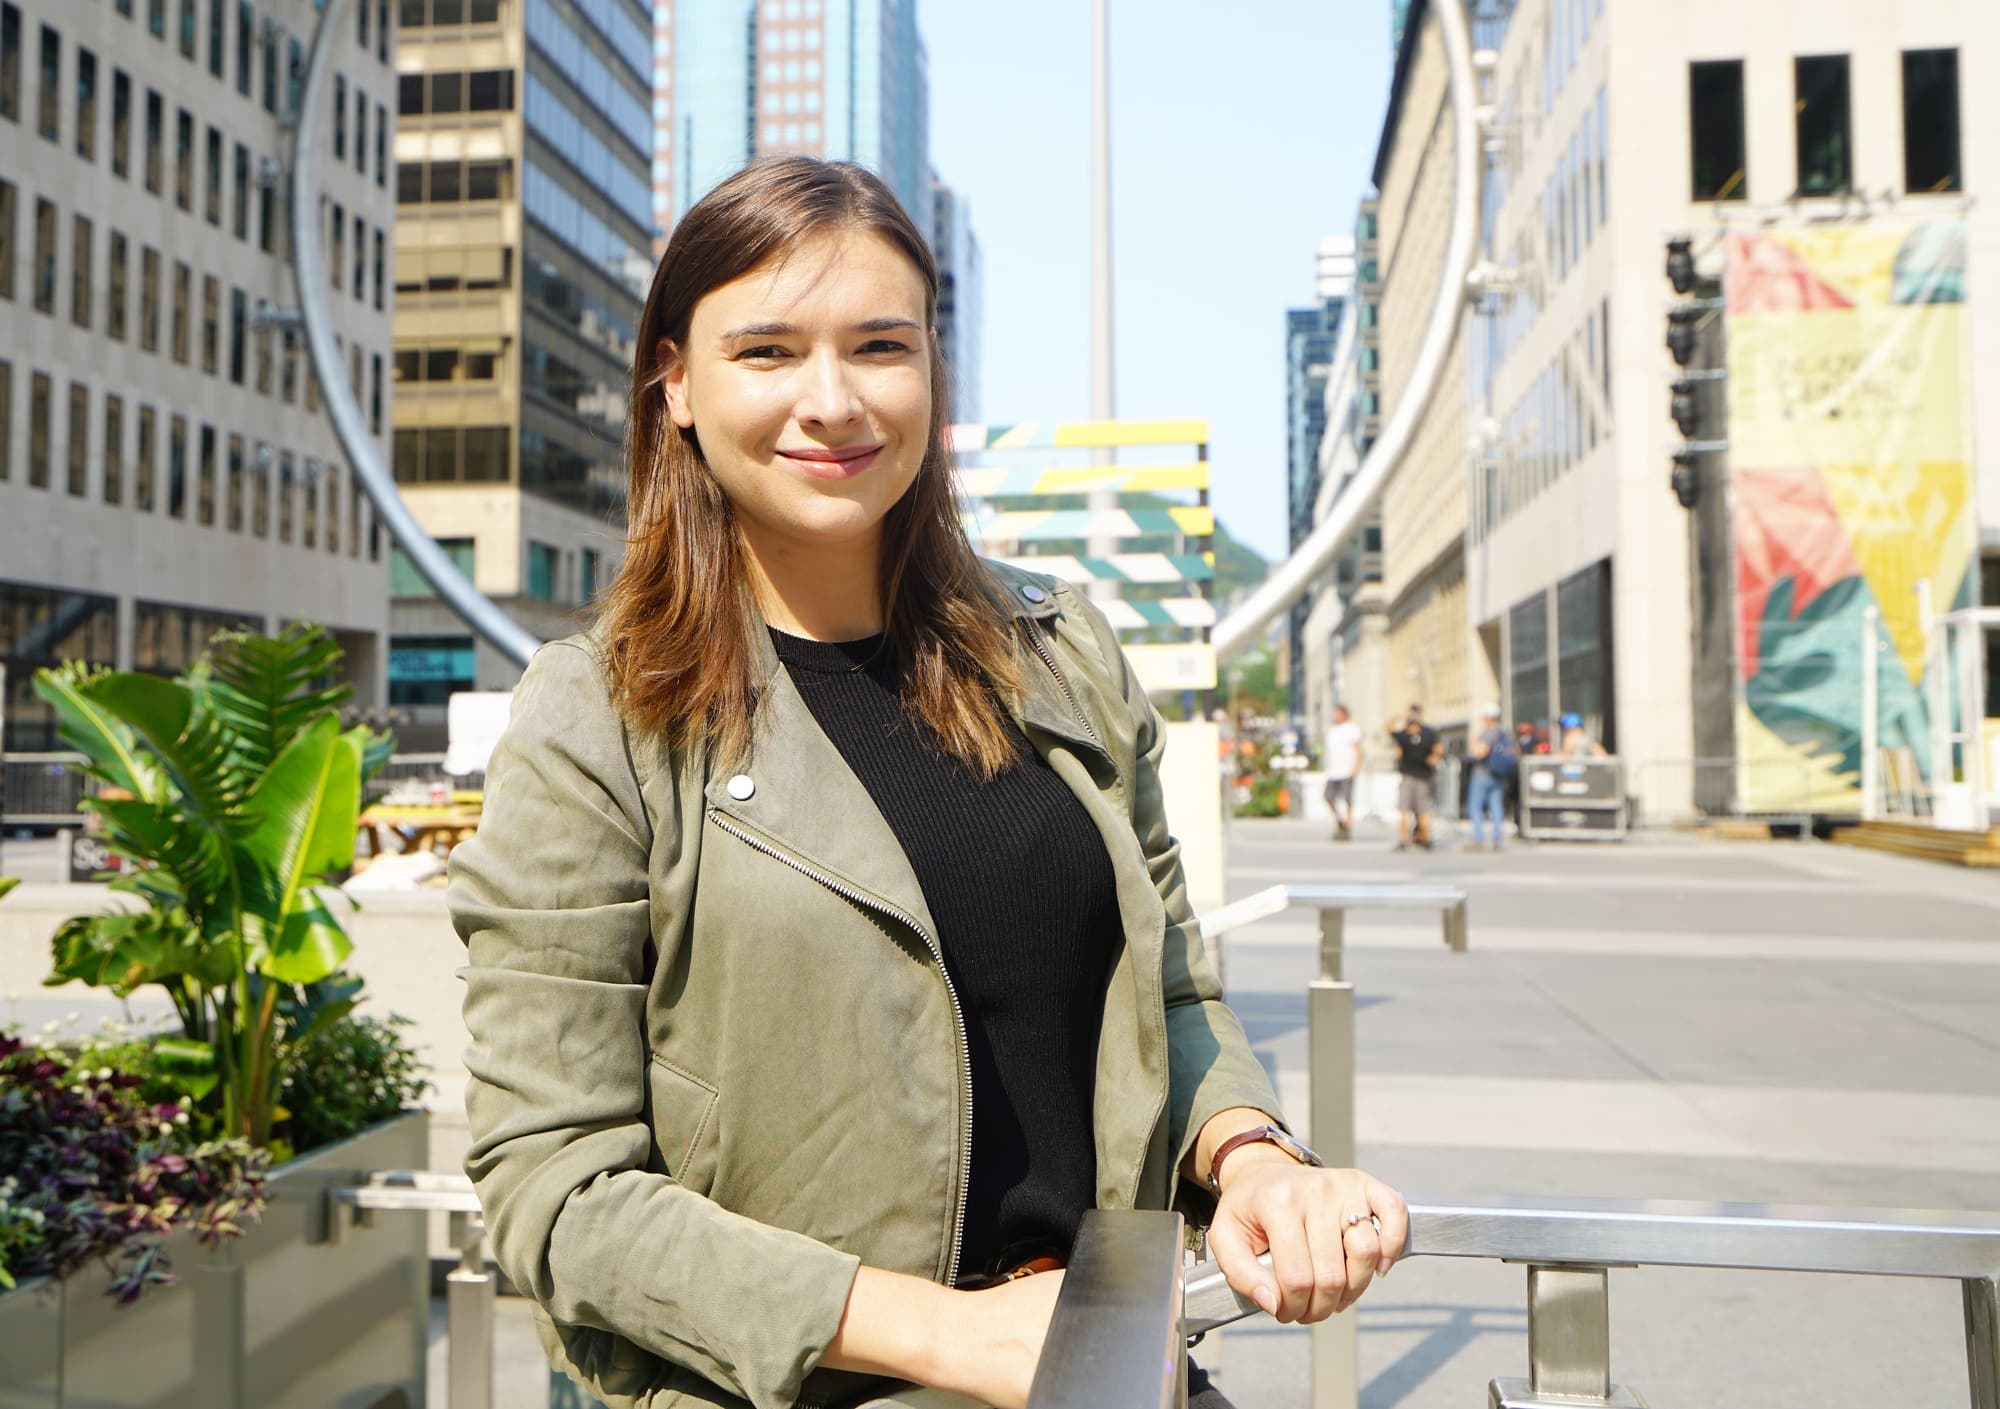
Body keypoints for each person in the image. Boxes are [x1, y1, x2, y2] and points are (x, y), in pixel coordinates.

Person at [448, 158, 1406, 1409]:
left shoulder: (1057, 651)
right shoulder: (600, 714)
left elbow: (1167, 985)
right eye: (768, 351)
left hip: (1101, 1376)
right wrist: (941, 1334)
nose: (832, 399)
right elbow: (553, 1185)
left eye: (879, 345)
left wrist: (1252, 1158)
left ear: (931, 372)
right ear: (675, 385)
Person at [1386, 703, 1443, 851]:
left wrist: (1398, 715)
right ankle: (1421, 839)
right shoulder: (1422, 733)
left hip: (1415, 776)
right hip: (1418, 776)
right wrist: (1431, 760)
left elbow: (1387, 728)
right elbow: (1439, 751)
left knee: (1411, 810)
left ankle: (1413, 839)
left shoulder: (1415, 734)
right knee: (1417, 810)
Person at [1465, 703, 1516, 852]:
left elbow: (1480, 753)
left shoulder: (1488, 733)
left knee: (1475, 806)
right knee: (1496, 805)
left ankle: (1478, 838)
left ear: (1487, 718)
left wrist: (1473, 741)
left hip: (1483, 773)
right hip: (1499, 775)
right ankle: (1497, 838)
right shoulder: (1505, 733)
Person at [1321, 703, 1363, 841]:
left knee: (1347, 799)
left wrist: (1355, 768)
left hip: (1347, 770)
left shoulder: (1352, 729)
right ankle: (1340, 820)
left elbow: (1359, 750)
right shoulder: (1332, 731)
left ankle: (1347, 825)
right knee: (1328, 796)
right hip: (1333, 771)